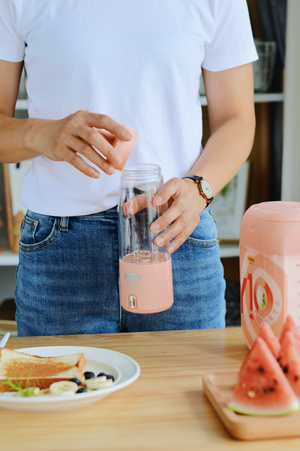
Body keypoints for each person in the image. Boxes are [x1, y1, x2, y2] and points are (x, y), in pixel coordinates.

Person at [0, 0, 257, 336]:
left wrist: (199, 187)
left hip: (176, 236)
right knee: (58, 388)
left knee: (184, 388)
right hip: (61, 254)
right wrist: (43, 133)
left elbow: (236, 119)